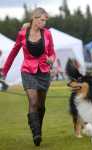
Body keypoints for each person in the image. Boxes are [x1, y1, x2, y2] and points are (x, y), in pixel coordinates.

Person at [1, 7, 56, 146]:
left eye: (45, 20)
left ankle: (38, 129)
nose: (44, 23)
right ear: (35, 18)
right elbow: (13, 53)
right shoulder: (22, 34)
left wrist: (51, 59)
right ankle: (36, 134)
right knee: (33, 101)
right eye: (42, 20)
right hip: (27, 70)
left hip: (43, 72)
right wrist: (4, 71)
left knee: (41, 106)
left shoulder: (48, 34)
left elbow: (52, 53)